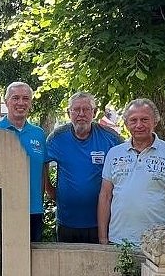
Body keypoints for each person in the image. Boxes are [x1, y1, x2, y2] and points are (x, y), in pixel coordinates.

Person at [98, 98, 165, 245]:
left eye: (145, 119)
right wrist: (103, 238)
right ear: (126, 124)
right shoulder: (114, 153)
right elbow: (105, 196)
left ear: (155, 122)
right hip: (118, 240)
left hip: (159, 242)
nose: (139, 125)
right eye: (133, 120)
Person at [46, 92, 122, 243]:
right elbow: (42, 163)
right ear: (69, 113)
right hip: (66, 221)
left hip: (101, 222)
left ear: (94, 112)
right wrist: (50, 189)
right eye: (76, 109)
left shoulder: (111, 138)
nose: (81, 114)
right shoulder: (57, 137)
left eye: (86, 109)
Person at [0, 82, 47, 242]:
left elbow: (44, 170)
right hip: (3, 208)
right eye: (15, 98)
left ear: (30, 103)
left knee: (32, 260)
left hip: (33, 209)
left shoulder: (38, 134)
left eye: (25, 98)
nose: (21, 103)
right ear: (6, 101)